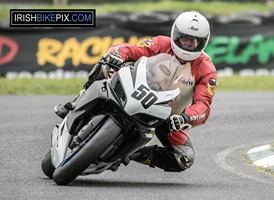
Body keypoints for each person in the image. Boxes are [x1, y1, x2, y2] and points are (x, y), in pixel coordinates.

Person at [54, 10, 217, 172]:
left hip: (165, 116)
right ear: (175, 34)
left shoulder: (206, 70)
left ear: (203, 42)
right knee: (106, 66)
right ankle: (76, 102)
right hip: (134, 88)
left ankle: (130, 153)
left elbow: (203, 105)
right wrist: (116, 54)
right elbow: (131, 49)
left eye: (194, 41)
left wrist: (184, 118)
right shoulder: (161, 43)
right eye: (184, 38)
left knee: (185, 158)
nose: (188, 44)